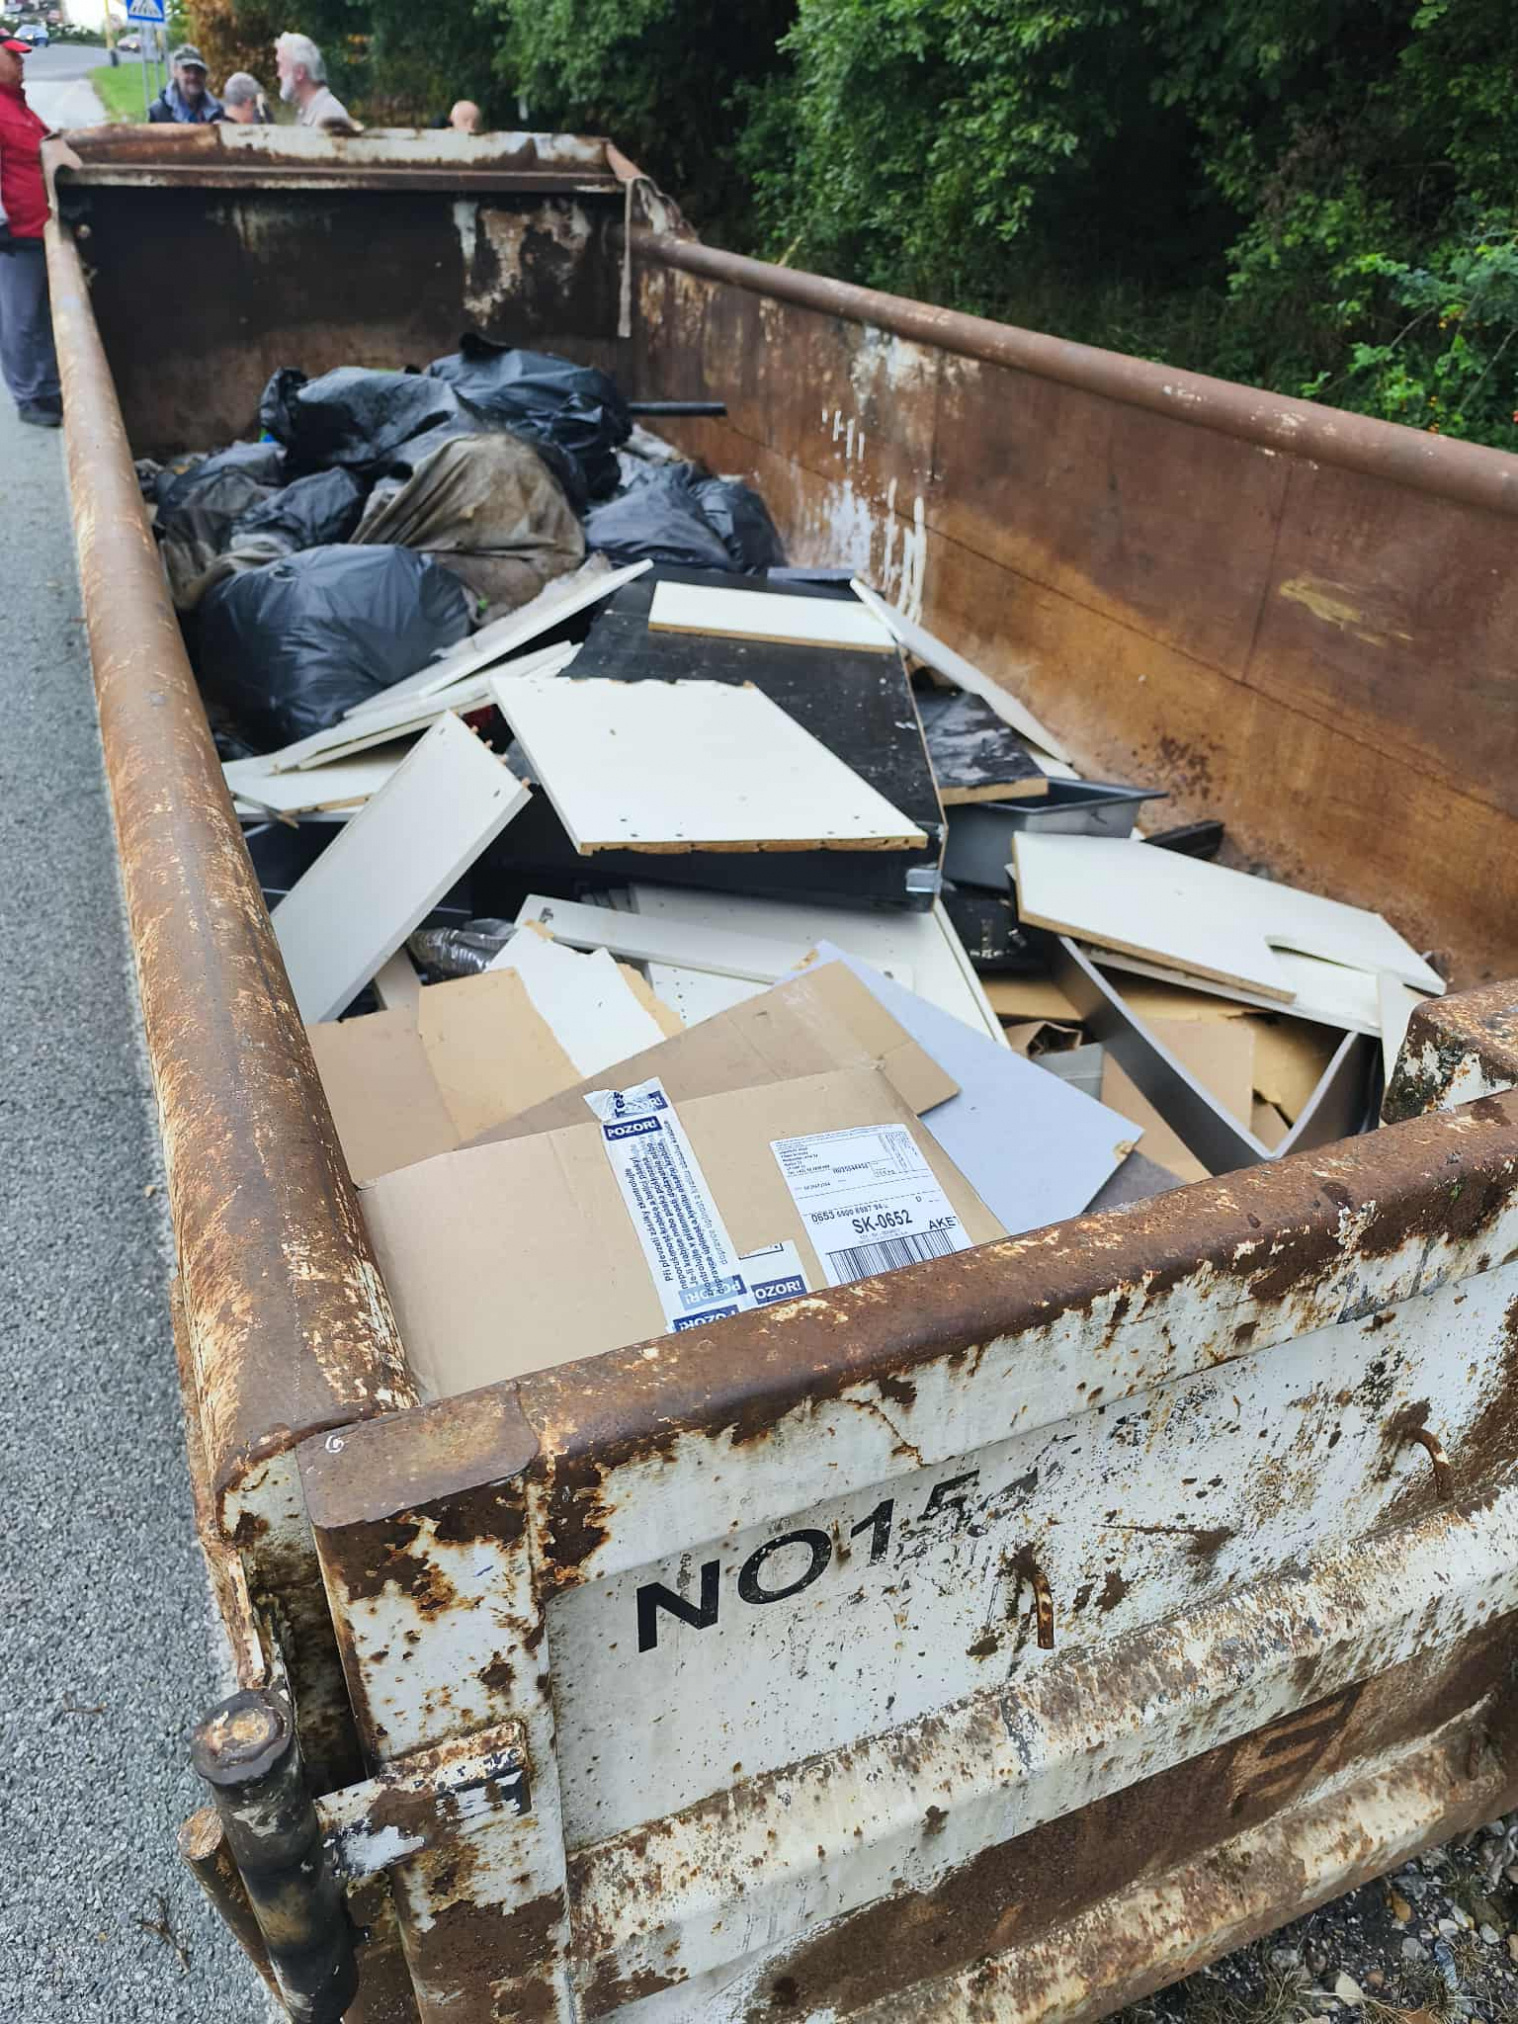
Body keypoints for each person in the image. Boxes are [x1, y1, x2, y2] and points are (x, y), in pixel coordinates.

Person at [0, 32, 61, 427]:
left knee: (40, 315)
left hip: (39, 228)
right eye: (14, 58)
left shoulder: (18, 106)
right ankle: (28, 396)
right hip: (15, 234)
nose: (22, 64)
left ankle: (48, 387)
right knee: (19, 318)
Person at [273, 32, 353, 129]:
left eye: (281, 65)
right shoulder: (307, 112)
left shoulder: (330, 115)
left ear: (299, 72)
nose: (279, 74)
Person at [148, 44, 223, 124]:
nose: (193, 76)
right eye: (187, 70)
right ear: (175, 71)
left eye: (198, 70)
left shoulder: (217, 110)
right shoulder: (159, 112)